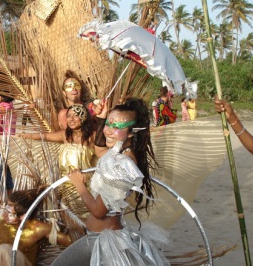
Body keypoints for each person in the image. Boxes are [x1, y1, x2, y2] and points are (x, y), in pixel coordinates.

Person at [51, 98, 169, 265]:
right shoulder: (118, 154)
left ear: (131, 132)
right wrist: (101, 118)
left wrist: (79, 184)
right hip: (97, 236)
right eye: (108, 123)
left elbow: (99, 211)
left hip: (103, 241)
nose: (108, 130)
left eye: (117, 127)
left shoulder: (122, 165)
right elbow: (99, 148)